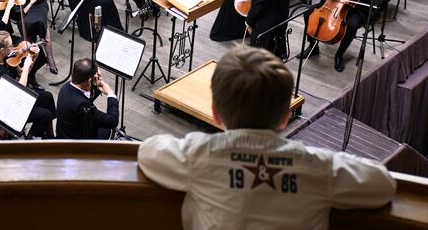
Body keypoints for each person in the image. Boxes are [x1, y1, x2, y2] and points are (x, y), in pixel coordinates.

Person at [138, 45, 396, 230]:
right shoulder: (318, 167)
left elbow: (148, 151)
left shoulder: (198, 154)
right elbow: (383, 184)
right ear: (286, 115)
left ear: (215, 112)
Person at [0, 31, 56, 138]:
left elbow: (21, 73)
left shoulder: (6, 59)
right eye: (10, 46)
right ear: (2, 50)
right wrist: (27, 62)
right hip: (7, 109)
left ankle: (50, 134)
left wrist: (33, 58)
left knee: (47, 96)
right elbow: (20, 89)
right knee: (45, 114)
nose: (14, 48)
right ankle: (31, 139)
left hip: (14, 99)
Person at [56, 57, 118, 139]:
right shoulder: (82, 107)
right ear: (89, 81)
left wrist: (96, 84)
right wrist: (111, 94)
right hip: (75, 144)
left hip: (65, 131)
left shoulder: (67, 86)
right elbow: (112, 121)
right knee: (106, 130)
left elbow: (85, 95)